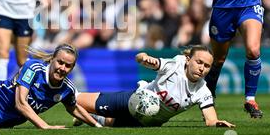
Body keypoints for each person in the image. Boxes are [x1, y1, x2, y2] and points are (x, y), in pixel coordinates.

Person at [75, 45, 235, 128]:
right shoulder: (174, 65)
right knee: (76, 99)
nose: (202, 68)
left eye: (207, 66)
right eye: (199, 62)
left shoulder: (202, 91)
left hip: (147, 122)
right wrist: (143, 58)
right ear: (188, 59)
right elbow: (144, 59)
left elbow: (210, 119)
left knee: (107, 123)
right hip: (133, 99)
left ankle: (86, 117)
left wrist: (217, 123)